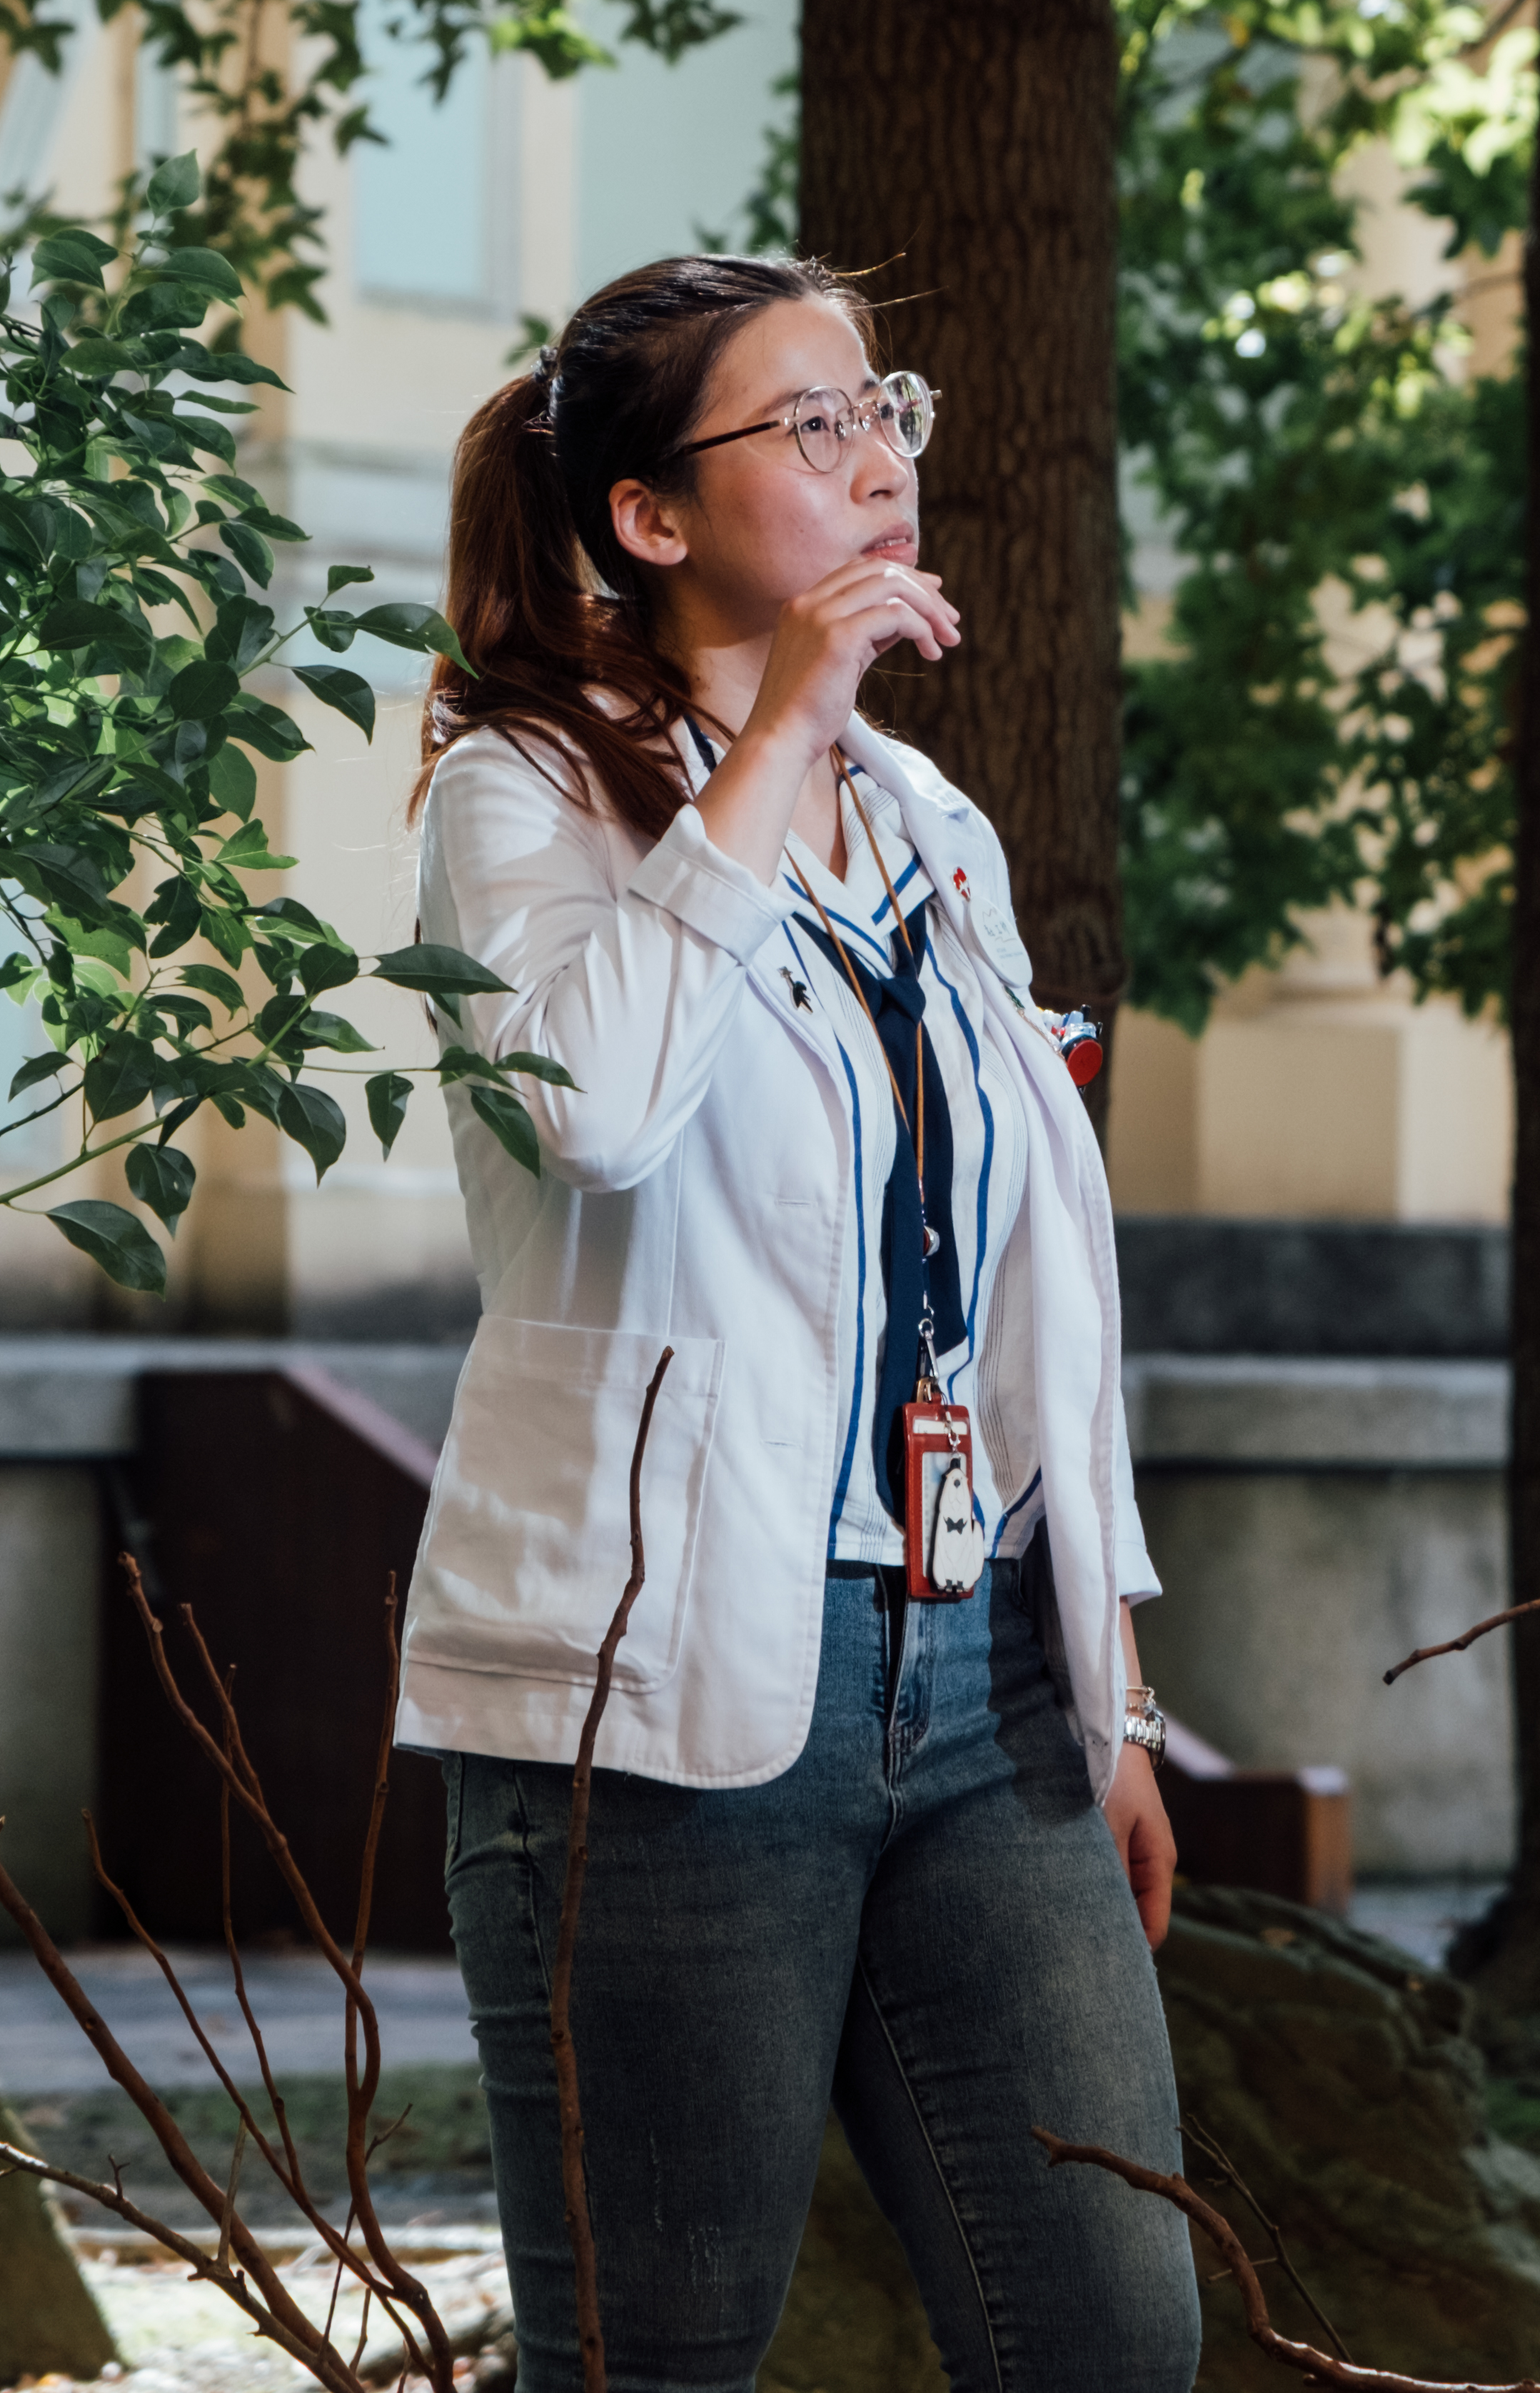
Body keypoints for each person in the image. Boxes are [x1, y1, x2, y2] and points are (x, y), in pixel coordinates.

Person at [393, 253, 1200, 2393]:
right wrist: (772, 745)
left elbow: (1037, 1257)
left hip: (982, 1671)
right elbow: (597, 1116)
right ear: (653, 518)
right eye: (810, 425)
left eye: (886, 409)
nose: (877, 463)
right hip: (661, 1703)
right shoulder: (524, 794)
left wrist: (1107, 1675)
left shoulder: (934, 825)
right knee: (652, 2355)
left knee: (1117, 2334)